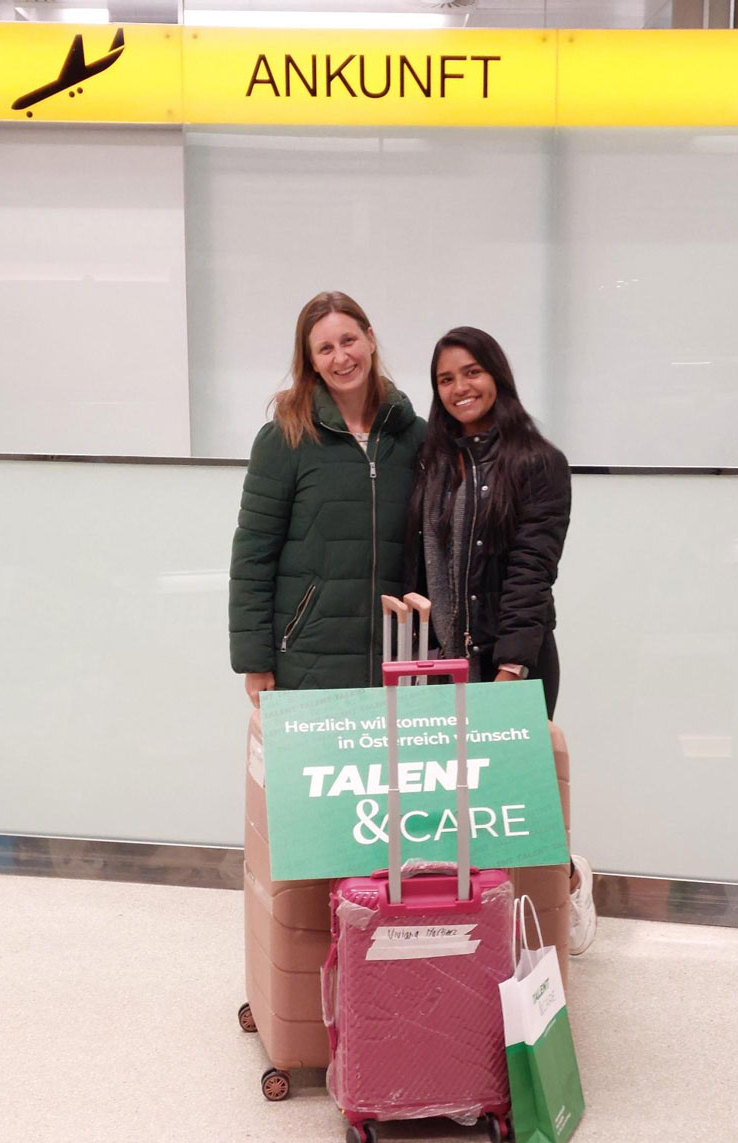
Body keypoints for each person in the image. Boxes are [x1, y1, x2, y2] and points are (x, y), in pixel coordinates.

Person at [406, 326, 596, 953]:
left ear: (497, 375)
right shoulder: (434, 462)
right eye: (445, 379)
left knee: (517, 804)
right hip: (443, 663)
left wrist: (511, 668)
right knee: (453, 812)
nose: (460, 388)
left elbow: (532, 572)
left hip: (511, 660)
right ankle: (473, 942)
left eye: (471, 372)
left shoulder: (539, 462)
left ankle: (566, 887)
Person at [229, 292, 424, 703]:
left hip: (400, 659)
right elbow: (253, 556)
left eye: (349, 340)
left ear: (370, 339)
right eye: (326, 348)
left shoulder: (416, 437)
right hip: (308, 661)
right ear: (312, 361)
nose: (341, 358)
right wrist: (254, 661)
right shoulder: (285, 439)